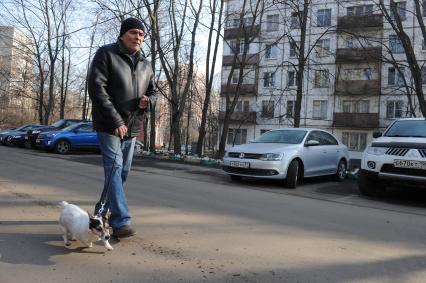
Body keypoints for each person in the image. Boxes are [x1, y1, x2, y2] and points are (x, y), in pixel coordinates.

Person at [88, 17, 155, 238]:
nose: (138, 37)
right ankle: (121, 221)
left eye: (142, 34)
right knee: (115, 169)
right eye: (134, 33)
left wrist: (149, 101)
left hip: (133, 126)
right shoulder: (106, 54)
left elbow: (153, 91)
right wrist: (116, 120)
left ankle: (101, 211)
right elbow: (97, 88)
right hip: (109, 125)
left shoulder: (146, 64)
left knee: (121, 173)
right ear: (123, 34)